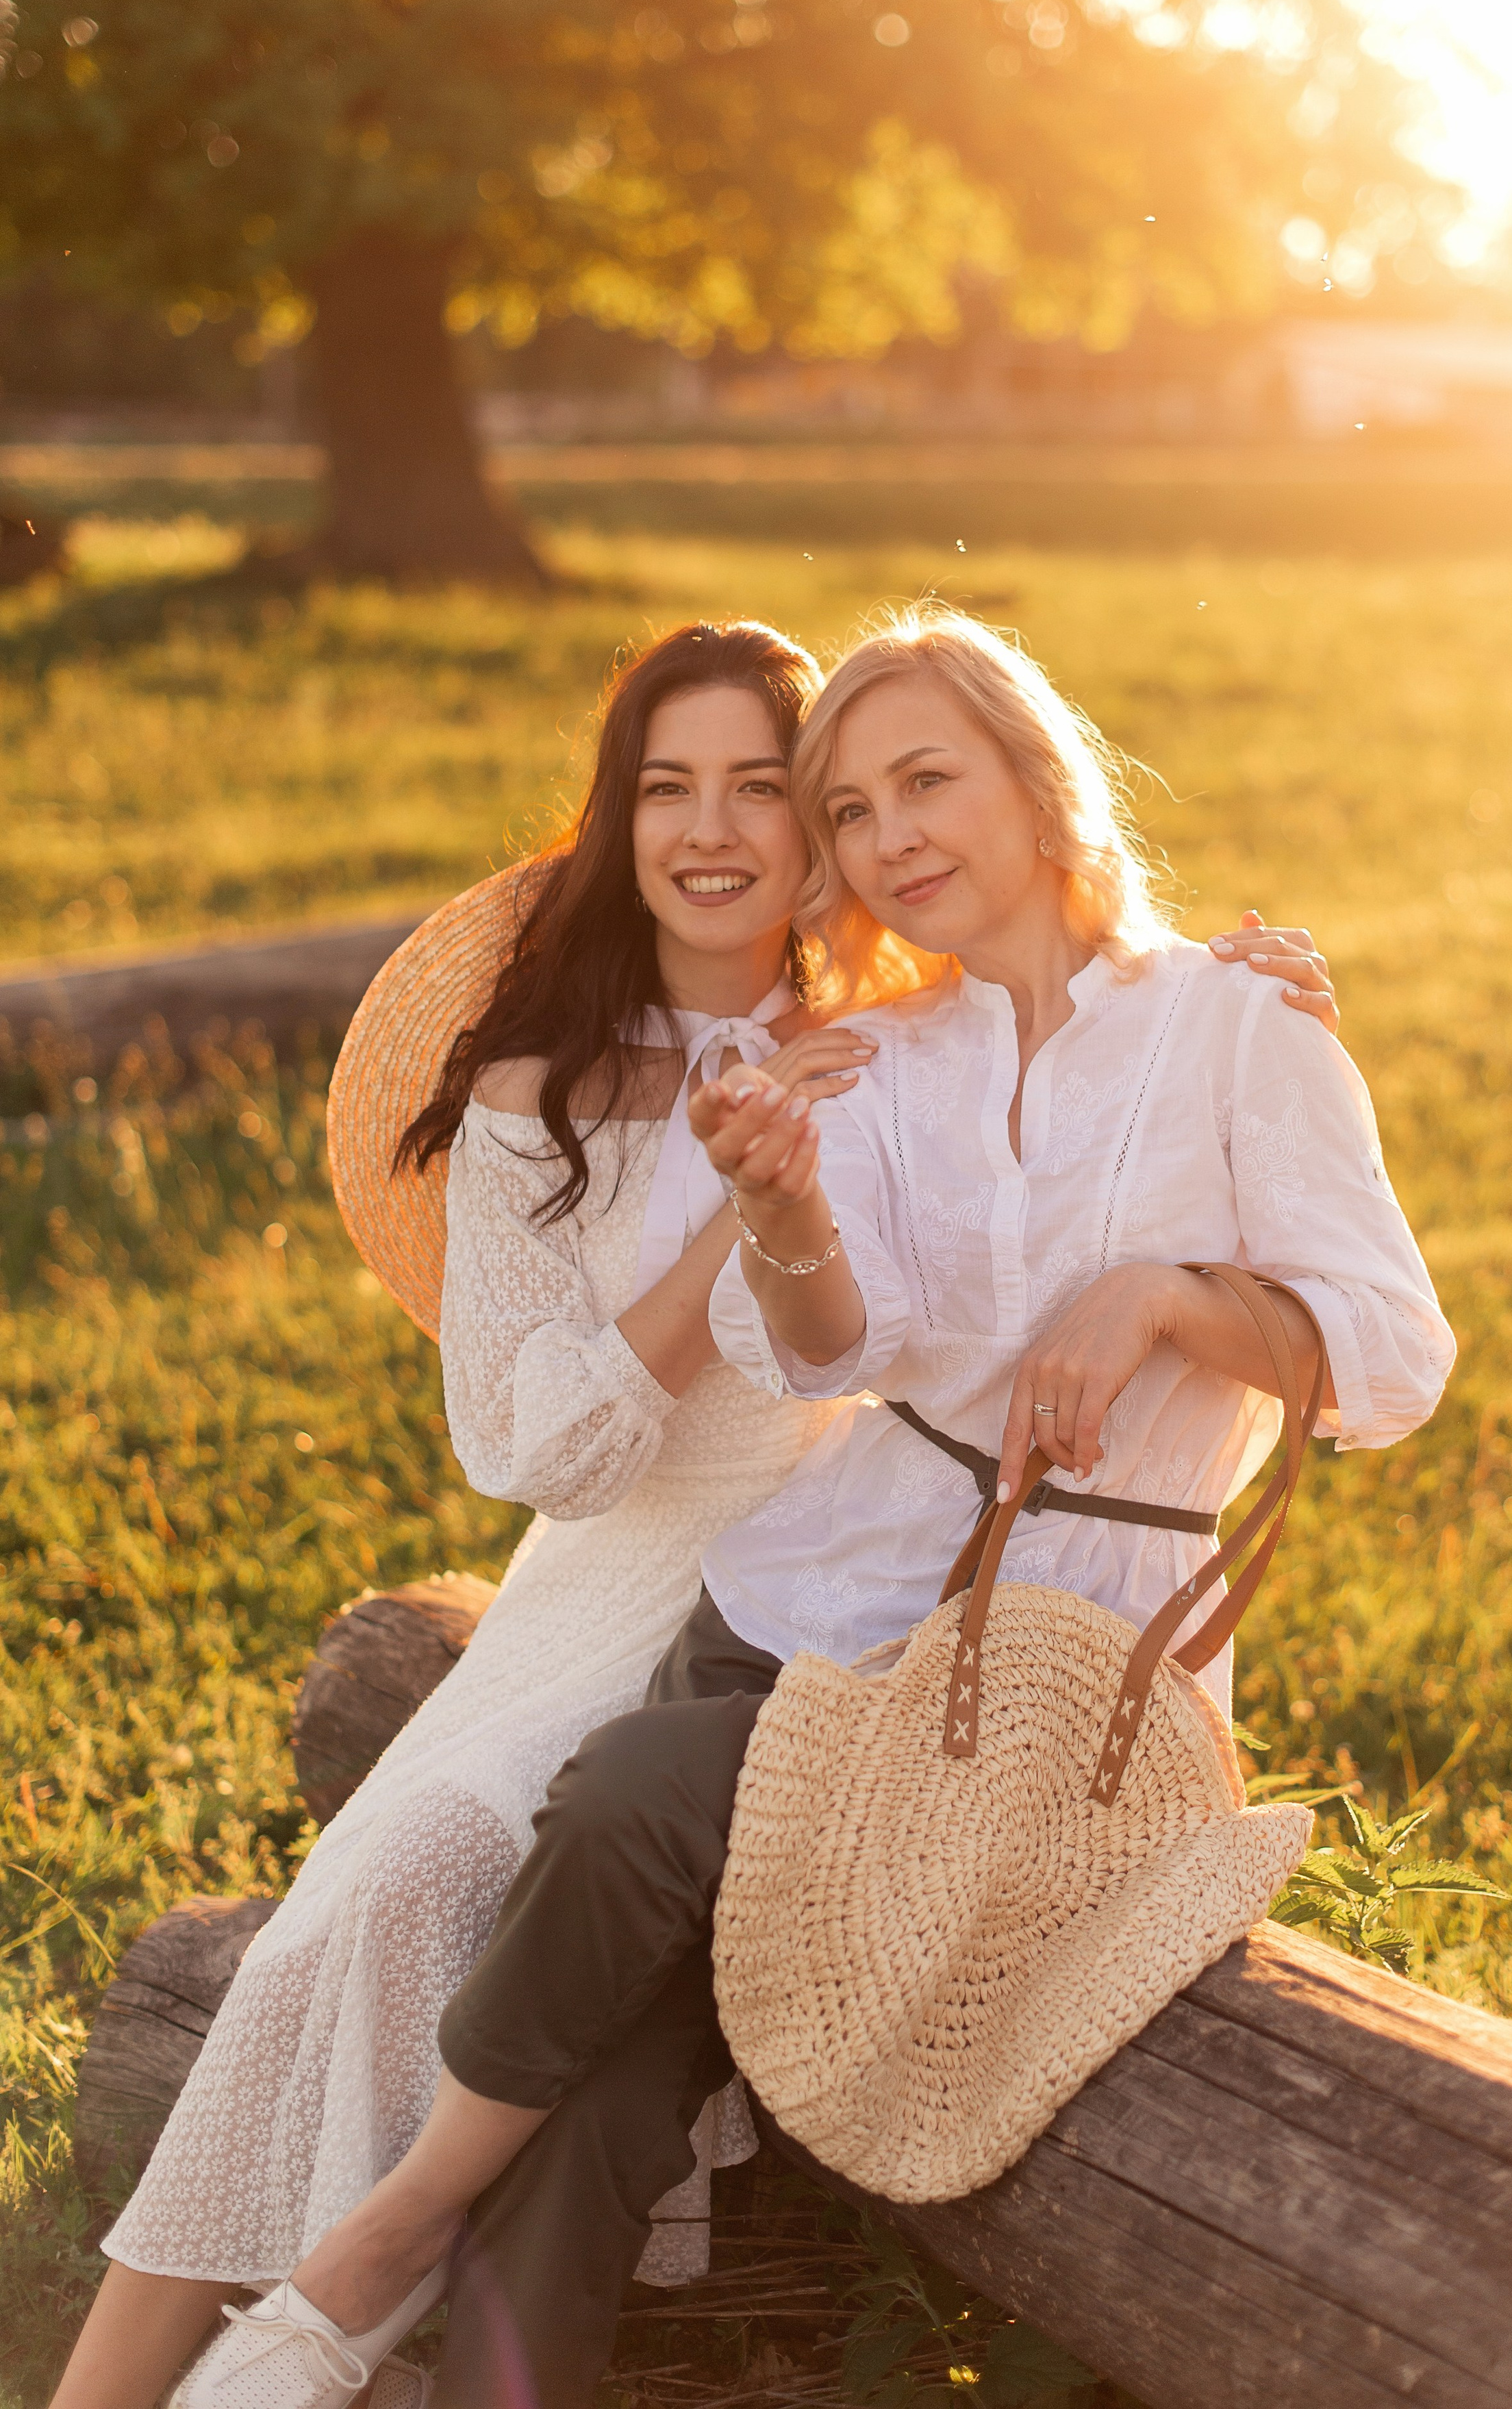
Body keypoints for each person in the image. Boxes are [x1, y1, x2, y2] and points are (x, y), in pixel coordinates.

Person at [49, 614, 1341, 2409]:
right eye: (668, 787)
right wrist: (743, 1206)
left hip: (868, 1585)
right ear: (614, 819)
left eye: (764, 786)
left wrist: (1228, 1004)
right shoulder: (564, 1090)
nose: (714, 826)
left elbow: (1074, 1172)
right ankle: (126, 2379)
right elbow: (584, 1438)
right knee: (392, 1888)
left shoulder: (892, 1045)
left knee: (603, 1914)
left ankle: (393, 2284)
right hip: (650, 1578)